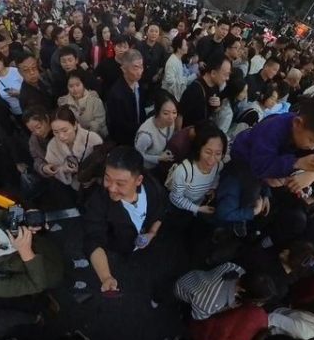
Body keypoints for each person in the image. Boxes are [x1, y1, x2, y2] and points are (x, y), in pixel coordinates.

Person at [83, 147, 171, 295]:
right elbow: (93, 239)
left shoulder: (153, 188)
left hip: (146, 241)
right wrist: (106, 277)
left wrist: (152, 233)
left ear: (139, 180)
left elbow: (160, 210)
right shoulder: (98, 202)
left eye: (120, 184)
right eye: (107, 178)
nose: (111, 188)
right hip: (119, 245)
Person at [166, 122, 225, 217]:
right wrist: (197, 208)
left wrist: (212, 188)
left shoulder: (218, 165)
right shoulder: (183, 171)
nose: (212, 159)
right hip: (178, 210)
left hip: (198, 206)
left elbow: (215, 177)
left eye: (218, 153)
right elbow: (175, 198)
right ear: (199, 149)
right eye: (208, 152)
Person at [44, 107, 104, 192]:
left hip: (97, 187)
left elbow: (103, 165)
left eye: (65, 130)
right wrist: (63, 169)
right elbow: (54, 169)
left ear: (75, 125)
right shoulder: (52, 146)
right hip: (73, 189)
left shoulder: (92, 138)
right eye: (56, 132)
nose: (61, 136)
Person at [104, 49, 150, 146]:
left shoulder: (139, 83)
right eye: (135, 68)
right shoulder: (116, 94)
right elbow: (119, 124)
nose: (139, 72)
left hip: (140, 133)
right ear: (124, 69)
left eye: (141, 67)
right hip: (125, 140)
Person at [179, 56, 230, 129]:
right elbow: (180, 114)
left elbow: (213, 110)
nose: (227, 78)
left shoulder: (216, 86)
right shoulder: (194, 89)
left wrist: (217, 105)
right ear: (213, 73)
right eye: (225, 74)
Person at [133, 95, 179, 172]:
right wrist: (159, 158)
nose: (171, 117)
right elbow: (138, 155)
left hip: (161, 162)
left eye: (174, 112)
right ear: (157, 112)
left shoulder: (171, 123)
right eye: (166, 113)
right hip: (147, 169)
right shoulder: (146, 136)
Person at [57, 71, 108, 138]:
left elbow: (100, 123)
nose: (75, 89)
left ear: (83, 84)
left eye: (78, 85)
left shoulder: (94, 100)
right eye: (71, 86)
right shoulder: (63, 102)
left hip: (96, 137)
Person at [15, 51, 55, 116]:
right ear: (20, 72)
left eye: (34, 67)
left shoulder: (42, 80)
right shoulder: (26, 97)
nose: (32, 73)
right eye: (26, 70)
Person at [0, 51, 24, 118]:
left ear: (1, 60)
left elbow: (32, 87)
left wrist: (19, 93)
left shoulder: (16, 71)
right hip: (17, 114)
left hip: (30, 107)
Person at [162, 34, 194, 102]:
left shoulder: (178, 59)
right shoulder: (172, 62)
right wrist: (189, 79)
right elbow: (170, 82)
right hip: (170, 97)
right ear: (179, 48)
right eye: (185, 45)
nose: (187, 47)